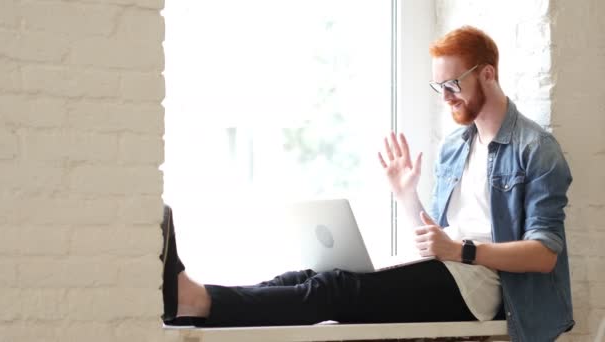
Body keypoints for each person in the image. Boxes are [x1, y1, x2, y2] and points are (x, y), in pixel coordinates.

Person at [160, 26, 574, 341]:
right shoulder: (457, 146)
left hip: (485, 288)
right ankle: (194, 300)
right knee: (307, 275)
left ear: (487, 74)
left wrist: (460, 250)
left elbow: (544, 255)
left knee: (334, 290)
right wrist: (407, 197)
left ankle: (198, 302)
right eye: (439, 87)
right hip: (451, 269)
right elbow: (438, 240)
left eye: (453, 84)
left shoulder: (535, 148)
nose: (446, 96)